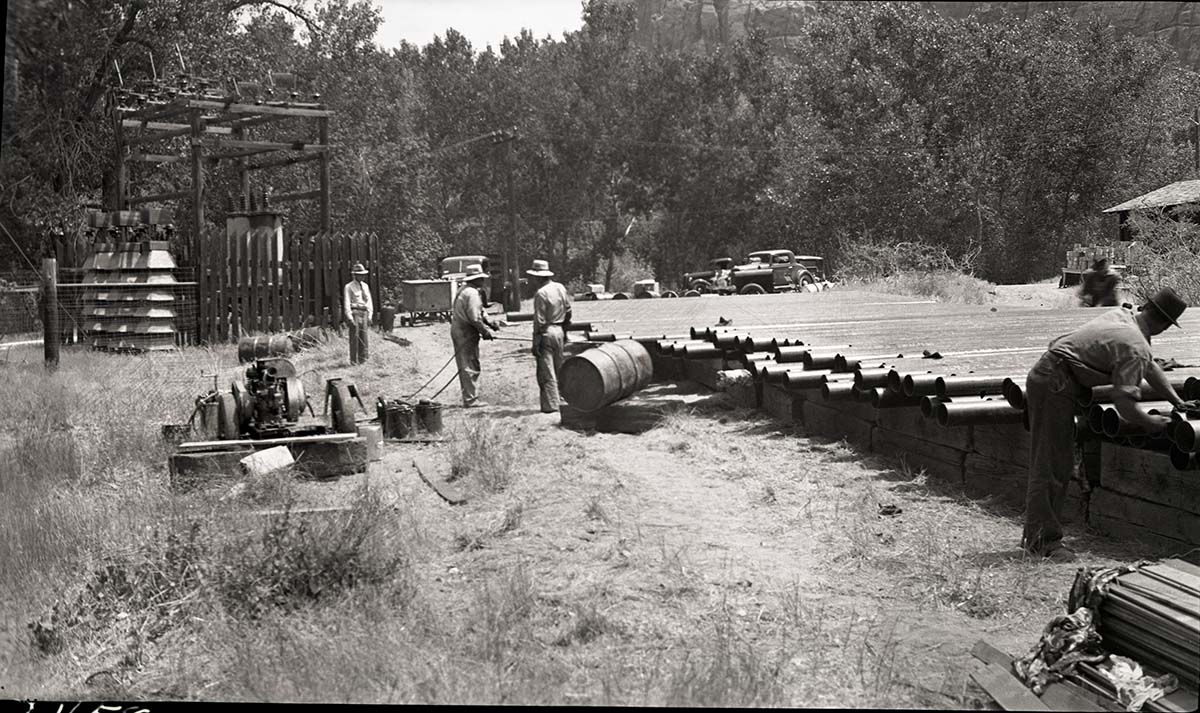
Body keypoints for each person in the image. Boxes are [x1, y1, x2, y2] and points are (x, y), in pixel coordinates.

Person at [1022, 286, 1188, 561]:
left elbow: (1149, 366)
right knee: (1052, 463)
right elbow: (1123, 403)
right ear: (1165, 326)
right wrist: (1151, 423)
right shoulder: (1134, 344)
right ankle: (1043, 542)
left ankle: (1037, 536)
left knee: (1053, 461)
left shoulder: (1125, 317)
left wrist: (1176, 401)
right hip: (1056, 382)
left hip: (1052, 374)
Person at [451, 264, 501, 407]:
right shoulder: (471, 293)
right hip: (465, 330)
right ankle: (470, 400)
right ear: (476, 279)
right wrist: (485, 332)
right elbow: (474, 318)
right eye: (481, 278)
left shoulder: (468, 290)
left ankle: (471, 396)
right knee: (468, 364)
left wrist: (491, 323)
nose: (484, 281)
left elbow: (480, 312)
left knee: (470, 362)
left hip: (463, 329)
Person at [527, 259, 572, 413]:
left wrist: (535, 343)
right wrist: (565, 332)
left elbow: (539, 321)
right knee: (560, 368)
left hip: (546, 332)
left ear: (538, 277)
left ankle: (552, 406)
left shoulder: (541, 293)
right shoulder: (560, 287)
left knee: (547, 371)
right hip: (559, 330)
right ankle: (565, 399)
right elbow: (568, 311)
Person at [343, 262, 373, 364]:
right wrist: (349, 316)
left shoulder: (365, 286)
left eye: (363, 274)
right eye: (360, 274)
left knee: (364, 336)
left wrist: (370, 315)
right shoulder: (349, 287)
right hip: (355, 312)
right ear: (355, 275)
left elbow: (369, 301)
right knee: (354, 336)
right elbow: (347, 302)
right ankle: (354, 360)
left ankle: (363, 360)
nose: (362, 276)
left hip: (364, 312)